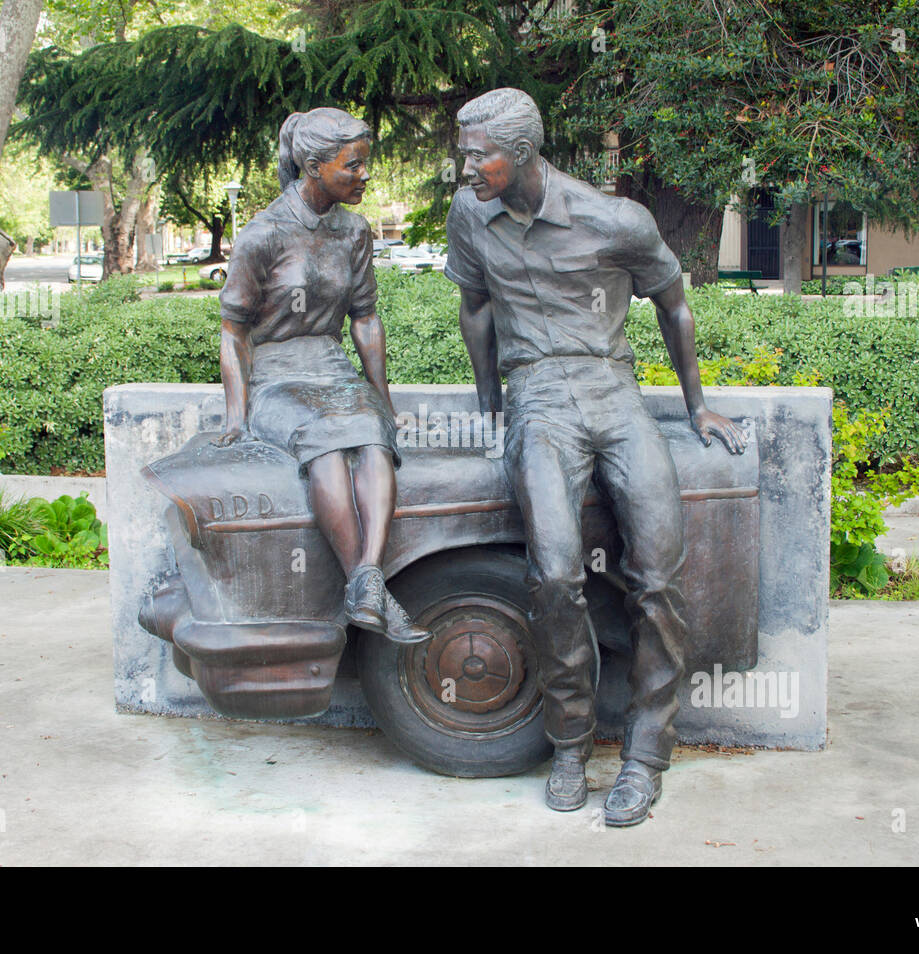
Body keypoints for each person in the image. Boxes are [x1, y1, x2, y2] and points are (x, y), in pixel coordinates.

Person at [444, 88, 748, 826]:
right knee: (552, 572)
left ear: (519, 155)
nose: (464, 169)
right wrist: (490, 405)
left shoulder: (615, 219)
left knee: (659, 573)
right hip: (539, 400)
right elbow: (476, 308)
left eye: (477, 155)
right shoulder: (469, 216)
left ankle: (647, 753)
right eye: (462, 153)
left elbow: (674, 303)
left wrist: (697, 402)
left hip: (615, 393)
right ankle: (570, 742)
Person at [215, 107, 428, 645]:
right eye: (352, 165)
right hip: (277, 375)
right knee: (328, 447)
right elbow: (234, 331)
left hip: (331, 368)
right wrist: (236, 415)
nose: (364, 175)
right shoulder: (262, 234)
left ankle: (366, 582)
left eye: (364, 164)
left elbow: (365, 317)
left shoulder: (355, 231)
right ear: (313, 166)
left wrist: (382, 397)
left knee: (374, 437)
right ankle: (371, 588)